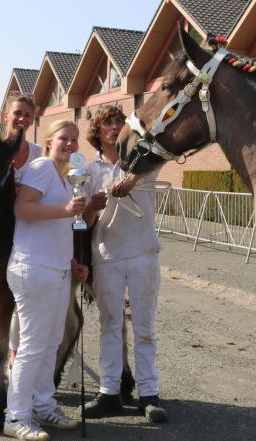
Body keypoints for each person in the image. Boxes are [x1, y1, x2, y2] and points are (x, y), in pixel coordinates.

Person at [81, 105, 167, 423]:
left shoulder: (143, 163)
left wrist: (129, 180)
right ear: (97, 132)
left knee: (144, 327)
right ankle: (109, 391)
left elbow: (160, 153)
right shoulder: (89, 171)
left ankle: (149, 393)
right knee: (110, 326)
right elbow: (84, 220)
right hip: (106, 254)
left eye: (119, 121)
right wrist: (91, 206)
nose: (115, 126)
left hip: (144, 252)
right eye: (108, 122)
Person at [4, 120, 88, 441]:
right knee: (33, 346)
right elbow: (22, 208)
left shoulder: (67, 179)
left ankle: (43, 404)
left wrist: (73, 261)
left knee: (50, 343)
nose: (70, 144)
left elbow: (59, 226)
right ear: (50, 141)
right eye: (64, 138)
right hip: (33, 268)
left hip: (57, 269)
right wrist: (67, 210)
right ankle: (17, 415)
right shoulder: (40, 167)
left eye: (74, 140)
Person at [1, 92, 43, 370]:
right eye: (17, 113)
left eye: (27, 115)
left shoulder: (40, 154)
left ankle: (17, 357)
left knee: (22, 300)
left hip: (30, 232)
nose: (22, 119)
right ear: (7, 115)